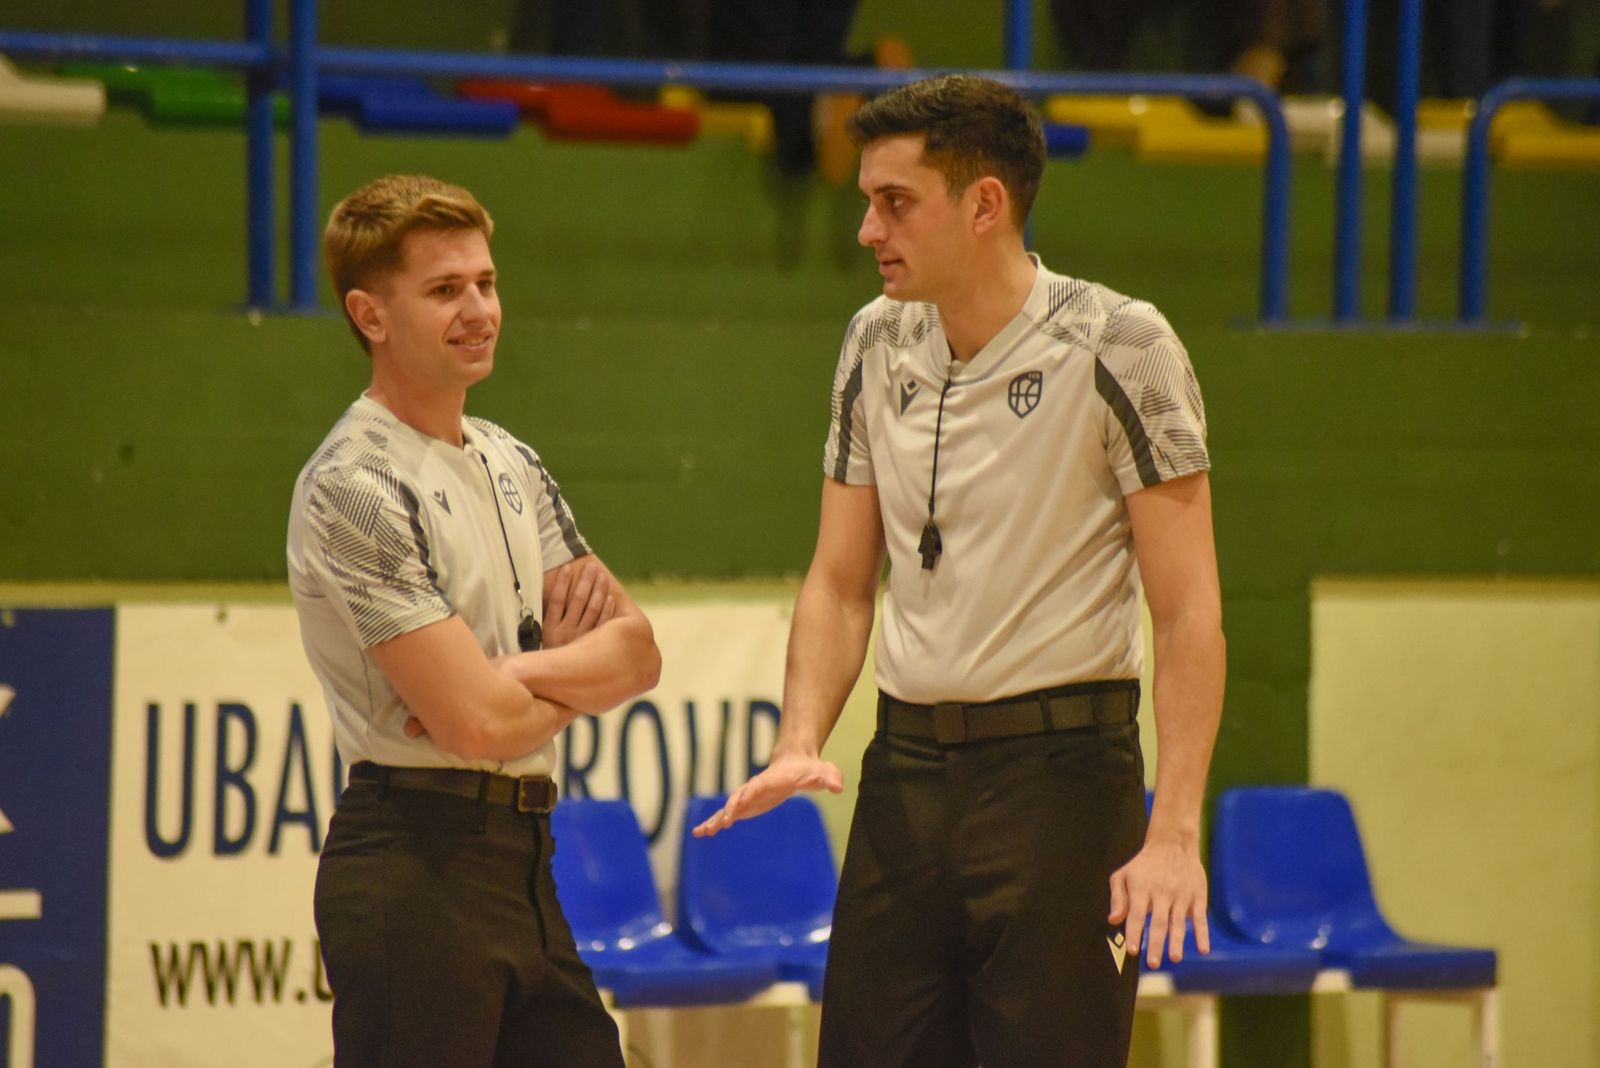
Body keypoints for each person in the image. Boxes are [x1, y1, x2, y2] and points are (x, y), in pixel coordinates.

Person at [694, 75, 1225, 1066]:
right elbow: (840, 580)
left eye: (893, 201)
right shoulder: (872, 339)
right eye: (866, 199)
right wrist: (799, 734)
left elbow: (1188, 611)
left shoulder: (1122, 342)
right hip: (907, 781)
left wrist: (1175, 833)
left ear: (984, 205)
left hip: (1066, 786)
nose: (865, 229)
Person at [286, 174, 660, 1067]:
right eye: (445, 290)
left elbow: (640, 653)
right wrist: (538, 690)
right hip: (413, 862)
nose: (480, 309)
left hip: (526, 857)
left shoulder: (510, 461)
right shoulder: (355, 484)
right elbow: (473, 723)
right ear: (370, 316)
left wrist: (514, 677)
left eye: (486, 283)